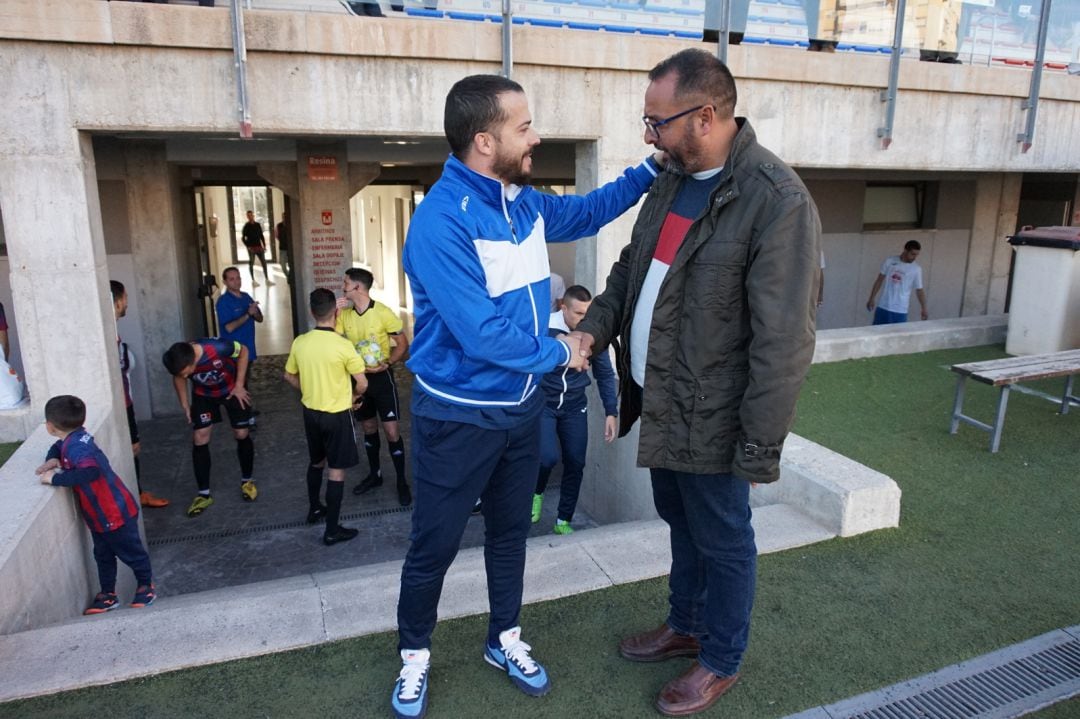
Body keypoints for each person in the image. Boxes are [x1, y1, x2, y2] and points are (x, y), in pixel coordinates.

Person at [390, 73, 661, 719]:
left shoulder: (524, 203)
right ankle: (414, 654)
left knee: (511, 533)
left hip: (520, 409)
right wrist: (561, 351)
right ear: (485, 141)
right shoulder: (439, 222)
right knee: (434, 545)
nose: (535, 137)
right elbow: (481, 334)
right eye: (524, 127)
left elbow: (588, 211)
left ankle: (503, 638)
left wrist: (651, 169)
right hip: (456, 415)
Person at [572, 49, 819, 717]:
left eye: (657, 122)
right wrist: (592, 329)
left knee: (724, 538)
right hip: (661, 399)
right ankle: (685, 624)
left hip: (716, 413)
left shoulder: (776, 200)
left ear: (705, 116)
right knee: (680, 519)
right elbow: (629, 271)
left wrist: (758, 450)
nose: (647, 135)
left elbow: (784, 342)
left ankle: (721, 658)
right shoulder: (671, 179)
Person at [35, 395, 156, 615]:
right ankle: (108, 594)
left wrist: (55, 478)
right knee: (103, 555)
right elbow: (58, 446)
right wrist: (52, 459)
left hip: (114, 513)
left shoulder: (77, 448)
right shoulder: (76, 438)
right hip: (101, 515)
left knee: (132, 552)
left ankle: (146, 586)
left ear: (49, 426)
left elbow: (91, 471)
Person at [283, 289, 370, 545]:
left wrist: (309, 389)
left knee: (316, 462)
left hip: (311, 413)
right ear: (336, 312)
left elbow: (288, 375)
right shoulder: (343, 345)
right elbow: (363, 383)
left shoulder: (300, 342)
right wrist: (354, 397)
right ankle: (332, 530)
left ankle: (314, 508)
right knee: (336, 470)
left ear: (312, 312)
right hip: (337, 415)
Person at [532, 285, 617, 535]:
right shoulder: (545, 326)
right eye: (578, 313)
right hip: (544, 405)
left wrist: (611, 411)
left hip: (574, 406)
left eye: (587, 313)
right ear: (563, 308)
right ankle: (536, 492)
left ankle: (563, 520)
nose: (583, 319)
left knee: (576, 461)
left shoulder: (593, 332)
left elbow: (604, 373)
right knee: (547, 457)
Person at [335, 267, 412, 506]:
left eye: (345, 283)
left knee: (391, 432)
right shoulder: (344, 315)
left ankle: (401, 482)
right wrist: (335, 312)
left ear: (357, 287)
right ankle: (375, 475)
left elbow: (403, 343)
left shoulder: (383, 313)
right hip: (359, 380)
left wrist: (388, 362)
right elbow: (333, 341)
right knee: (368, 428)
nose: (343, 287)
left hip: (381, 380)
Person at [162, 338, 256, 516]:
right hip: (203, 395)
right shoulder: (180, 361)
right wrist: (185, 404)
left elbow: (244, 351)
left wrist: (239, 385)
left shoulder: (219, 347)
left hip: (231, 390)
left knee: (241, 433)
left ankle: (247, 481)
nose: (185, 376)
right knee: (200, 437)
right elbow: (178, 377)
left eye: (186, 372)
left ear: (192, 362)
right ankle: (203, 494)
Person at [110, 280, 168, 508]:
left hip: (125, 401)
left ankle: (137, 493)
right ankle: (134, 496)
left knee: (133, 449)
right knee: (132, 448)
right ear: (117, 301)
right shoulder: (107, 333)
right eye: (125, 297)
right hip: (121, 403)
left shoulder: (112, 329)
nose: (127, 302)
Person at [215, 266, 262, 426]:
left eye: (238, 278)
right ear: (225, 282)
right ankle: (243, 418)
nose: (236, 281)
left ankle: (246, 410)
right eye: (232, 279)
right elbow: (229, 327)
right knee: (238, 383)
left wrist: (255, 311)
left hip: (248, 348)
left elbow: (260, 318)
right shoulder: (223, 302)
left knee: (245, 380)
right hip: (233, 351)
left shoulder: (246, 296)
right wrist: (248, 314)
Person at [866, 240, 928, 324]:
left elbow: (919, 290)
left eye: (917, 255)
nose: (914, 257)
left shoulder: (916, 269)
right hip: (883, 306)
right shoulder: (890, 261)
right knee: (877, 331)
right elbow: (879, 280)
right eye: (912, 254)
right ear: (905, 250)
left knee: (897, 332)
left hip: (900, 310)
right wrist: (871, 298)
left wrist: (924, 308)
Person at [241, 210, 271, 286]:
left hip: (259, 246)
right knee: (251, 263)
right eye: (248, 216)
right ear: (247, 217)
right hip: (251, 248)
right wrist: (248, 246)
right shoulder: (246, 226)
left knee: (264, 262)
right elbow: (243, 238)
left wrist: (264, 245)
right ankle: (253, 280)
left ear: (253, 216)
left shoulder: (258, 225)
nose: (250, 217)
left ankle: (267, 279)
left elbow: (261, 235)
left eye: (251, 215)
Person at [275, 211, 292, 280]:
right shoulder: (279, 225)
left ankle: (290, 278)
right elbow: (277, 236)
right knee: (283, 266)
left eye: (285, 217)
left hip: (290, 249)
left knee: (291, 265)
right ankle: (288, 276)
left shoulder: (291, 224)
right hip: (282, 249)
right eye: (283, 217)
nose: (284, 218)